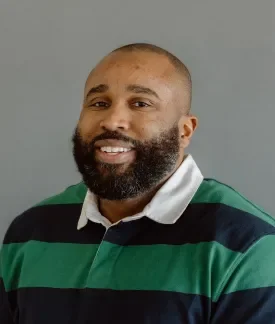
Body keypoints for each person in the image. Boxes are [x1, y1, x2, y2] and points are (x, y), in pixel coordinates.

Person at [0, 43, 274, 324]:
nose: (112, 120)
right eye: (99, 103)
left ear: (185, 131)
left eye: (140, 104)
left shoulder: (250, 247)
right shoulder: (29, 233)